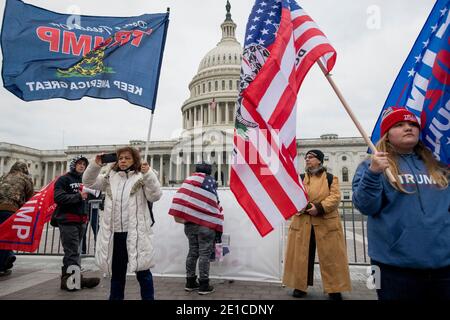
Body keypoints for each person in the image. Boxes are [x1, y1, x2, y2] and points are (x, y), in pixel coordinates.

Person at [352, 107, 450, 300]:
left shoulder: (438, 166)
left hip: (443, 265)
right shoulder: (370, 166)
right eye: (399, 125)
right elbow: (365, 206)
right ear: (387, 134)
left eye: (413, 124)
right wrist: (373, 174)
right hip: (391, 267)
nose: (408, 128)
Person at [82, 147, 162, 300]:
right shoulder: (110, 176)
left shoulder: (141, 176)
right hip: (115, 234)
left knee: (143, 273)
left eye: (127, 158)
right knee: (117, 274)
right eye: (121, 158)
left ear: (135, 160)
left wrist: (149, 174)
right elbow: (88, 182)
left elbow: (155, 195)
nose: (123, 161)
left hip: (135, 234)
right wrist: (95, 164)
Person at [283, 149, 351, 300]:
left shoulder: (330, 178)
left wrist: (319, 208)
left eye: (311, 157)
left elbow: (335, 197)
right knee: (301, 256)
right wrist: (307, 207)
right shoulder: (300, 178)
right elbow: (293, 196)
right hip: (303, 223)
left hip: (326, 223)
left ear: (319, 160)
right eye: (306, 157)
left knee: (331, 256)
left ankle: (335, 288)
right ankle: (299, 286)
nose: (307, 159)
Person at [169, 161, 223, 295]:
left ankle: (190, 282)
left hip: (190, 224)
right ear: (209, 171)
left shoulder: (188, 181)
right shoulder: (210, 182)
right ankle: (204, 284)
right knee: (204, 253)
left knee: (193, 252)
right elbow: (214, 203)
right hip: (206, 225)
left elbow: (182, 199)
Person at [53, 155, 100, 291]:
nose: (82, 166)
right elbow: (58, 197)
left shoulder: (85, 180)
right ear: (73, 165)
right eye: (79, 164)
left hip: (81, 220)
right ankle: (72, 280)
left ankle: (72, 278)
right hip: (67, 219)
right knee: (72, 251)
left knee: (75, 252)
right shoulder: (64, 179)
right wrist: (78, 196)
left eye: (84, 164)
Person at [0, 162, 34, 276]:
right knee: (6, 238)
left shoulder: (4, 176)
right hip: (10, 209)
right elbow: (31, 198)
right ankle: (4, 263)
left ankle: (8, 258)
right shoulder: (25, 178)